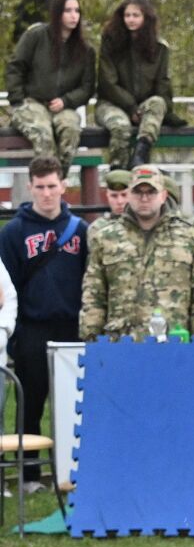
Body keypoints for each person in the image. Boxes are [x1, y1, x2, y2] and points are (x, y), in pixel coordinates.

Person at [0, 156, 88, 492]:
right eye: (40, 187)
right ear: (30, 187)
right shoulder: (13, 232)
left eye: (53, 186)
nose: (47, 193)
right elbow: (6, 285)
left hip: (72, 326)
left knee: (73, 401)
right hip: (33, 327)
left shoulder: (80, 230)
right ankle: (30, 475)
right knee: (31, 402)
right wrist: (15, 330)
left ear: (64, 186)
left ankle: (70, 472)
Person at [81, 165, 194, 342]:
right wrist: (92, 341)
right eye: (138, 192)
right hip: (122, 344)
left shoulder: (189, 238)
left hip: (175, 343)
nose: (144, 198)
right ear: (129, 195)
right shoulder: (106, 238)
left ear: (163, 196)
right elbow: (94, 296)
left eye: (151, 192)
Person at [5, 0, 94, 177]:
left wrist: (66, 101)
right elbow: (15, 67)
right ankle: (44, 184)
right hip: (32, 102)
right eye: (68, 10)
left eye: (77, 10)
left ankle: (57, 183)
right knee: (43, 135)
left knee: (70, 130)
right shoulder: (35, 36)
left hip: (65, 106)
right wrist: (17, 100)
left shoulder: (86, 50)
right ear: (56, 13)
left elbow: (87, 88)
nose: (73, 15)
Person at [95, 0, 176, 170]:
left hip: (143, 107)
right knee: (121, 127)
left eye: (136, 15)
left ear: (146, 18)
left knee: (158, 103)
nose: (130, 19)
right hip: (111, 104)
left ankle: (141, 156)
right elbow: (107, 82)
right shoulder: (111, 42)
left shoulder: (160, 47)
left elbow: (163, 83)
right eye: (127, 15)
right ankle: (118, 173)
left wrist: (166, 112)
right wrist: (131, 106)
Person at [88, 169, 131, 236]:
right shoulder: (97, 228)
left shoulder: (144, 224)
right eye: (114, 196)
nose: (120, 201)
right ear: (107, 195)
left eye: (124, 195)